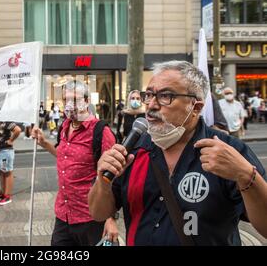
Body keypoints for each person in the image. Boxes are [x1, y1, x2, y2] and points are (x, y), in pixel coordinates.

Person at [88, 61, 267, 245]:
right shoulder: (132, 150)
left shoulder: (227, 151)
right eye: (148, 95)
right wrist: (102, 182)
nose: (151, 105)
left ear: (195, 107)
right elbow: (98, 213)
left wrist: (246, 176)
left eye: (166, 96)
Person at [32, 80, 119, 246]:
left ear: (86, 101)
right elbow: (64, 156)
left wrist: (110, 218)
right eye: (66, 100)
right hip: (64, 214)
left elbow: (113, 177)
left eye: (75, 99)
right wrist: (44, 143)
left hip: (91, 217)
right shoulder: (64, 127)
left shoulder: (101, 131)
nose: (69, 104)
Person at [0, 122, 21, 206]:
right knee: (1, 172)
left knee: (7, 172)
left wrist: (11, 140)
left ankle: (7, 196)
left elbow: (17, 130)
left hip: (4, 151)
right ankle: (2, 194)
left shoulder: (6, 122)